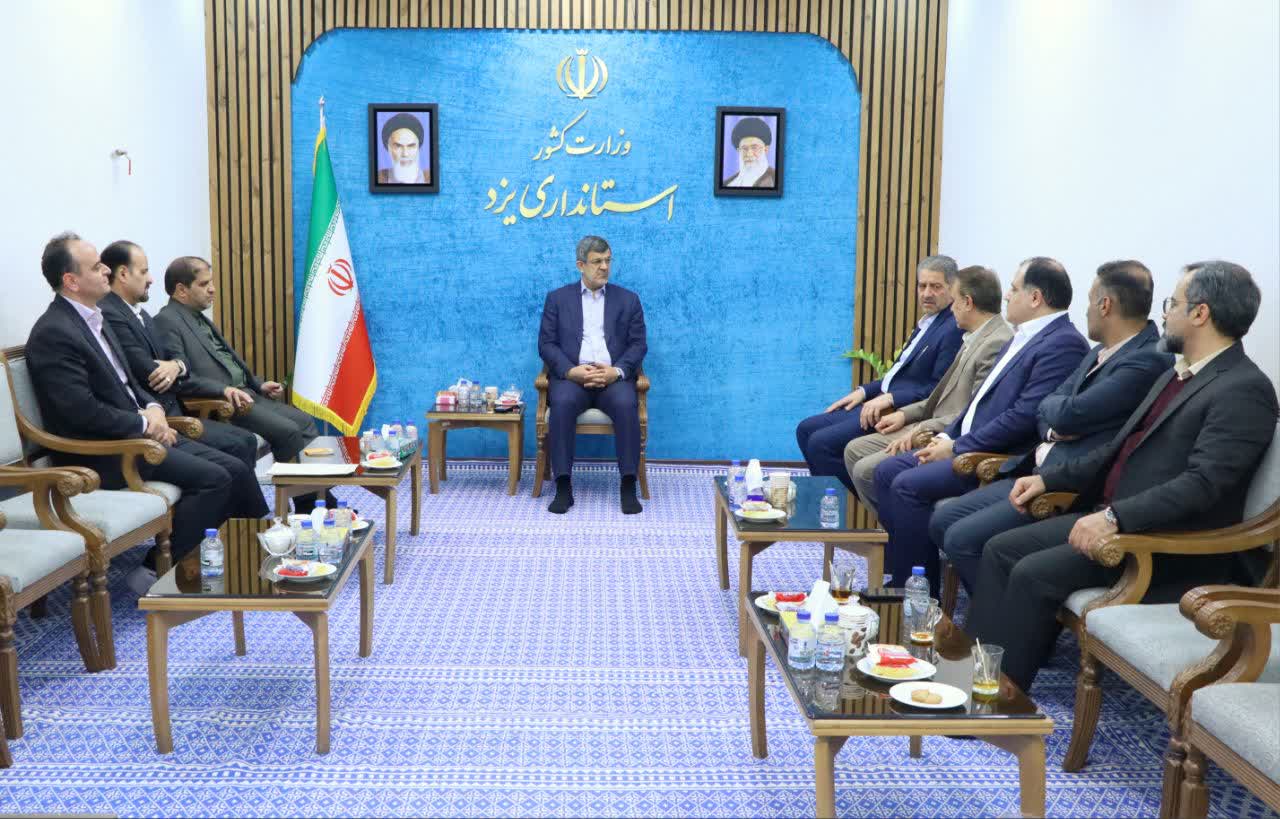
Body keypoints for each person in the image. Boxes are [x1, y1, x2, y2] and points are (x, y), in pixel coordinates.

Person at [967, 260, 1278, 692]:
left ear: (1200, 313)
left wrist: (1116, 518)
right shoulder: (1177, 373)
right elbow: (1117, 451)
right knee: (999, 548)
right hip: (1114, 518)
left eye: (1172, 303)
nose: (1164, 314)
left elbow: (1203, 485)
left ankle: (1002, 697)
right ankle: (974, 673)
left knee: (1032, 573)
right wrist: (1050, 480)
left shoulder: (1244, 389)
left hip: (1164, 544)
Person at [24, 232, 247, 594]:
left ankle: (247, 549)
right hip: (103, 453)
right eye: (97, 267)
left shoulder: (96, 318)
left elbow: (130, 382)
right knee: (215, 479)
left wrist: (154, 409)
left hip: (137, 434)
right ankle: (153, 572)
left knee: (234, 467)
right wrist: (144, 423)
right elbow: (80, 413)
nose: (106, 271)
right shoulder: (54, 332)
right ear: (71, 281)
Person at [930, 261, 1170, 595]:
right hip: (1035, 470)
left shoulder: (1147, 359)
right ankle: (993, 605)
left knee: (962, 537)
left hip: (1067, 486)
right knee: (943, 521)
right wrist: (1055, 425)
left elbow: (1068, 413)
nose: (1085, 309)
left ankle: (999, 614)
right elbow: (1048, 408)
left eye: (1090, 300)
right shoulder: (1099, 351)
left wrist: (1057, 418)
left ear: (1105, 305)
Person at [871, 257, 1090, 594]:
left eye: (1014, 289)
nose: (1007, 296)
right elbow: (977, 403)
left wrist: (957, 447)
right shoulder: (1023, 336)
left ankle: (919, 593)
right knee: (886, 471)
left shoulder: (1063, 343)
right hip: (966, 442)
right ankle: (906, 579)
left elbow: (1023, 416)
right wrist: (946, 436)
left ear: (1035, 298)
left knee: (906, 485)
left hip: (993, 457)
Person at [152, 256, 327, 512]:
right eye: (204, 284)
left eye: (211, 282)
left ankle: (321, 498)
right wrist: (223, 390)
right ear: (181, 290)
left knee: (305, 422)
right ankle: (309, 508)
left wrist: (258, 384)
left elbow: (228, 362)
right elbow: (180, 377)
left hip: (247, 393)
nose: (212, 289)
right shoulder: (166, 321)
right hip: (223, 403)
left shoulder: (197, 317)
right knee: (288, 431)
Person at [844, 265, 1012, 513]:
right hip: (931, 422)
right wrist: (904, 414)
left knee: (867, 470)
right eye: (922, 286)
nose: (951, 309)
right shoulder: (974, 335)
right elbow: (940, 394)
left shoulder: (996, 342)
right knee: (853, 450)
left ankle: (901, 531)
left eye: (953, 301)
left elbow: (973, 413)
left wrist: (920, 429)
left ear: (967, 302)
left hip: (947, 434)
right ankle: (894, 527)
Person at [796, 255, 964, 494]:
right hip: (878, 402)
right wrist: (864, 391)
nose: (927, 293)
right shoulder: (928, 322)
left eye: (935, 287)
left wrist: (891, 398)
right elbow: (899, 374)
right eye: (922, 286)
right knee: (805, 429)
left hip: (900, 412)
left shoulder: (951, 329)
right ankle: (837, 505)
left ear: (952, 288)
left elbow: (938, 389)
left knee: (821, 444)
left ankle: (863, 505)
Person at [98, 239, 262, 475]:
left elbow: (179, 360)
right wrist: (175, 366)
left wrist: (176, 365)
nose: (151, 279)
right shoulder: (110, 314)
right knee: (234, 451)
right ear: (123, 274)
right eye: (144, 272)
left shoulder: (140, 313)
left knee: (244, 440)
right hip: (160, 421)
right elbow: (151, 373)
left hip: (173, 413)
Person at [538, 235, 647, 515]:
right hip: (573, 377)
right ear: (580, 265)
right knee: (561, 403)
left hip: (612, 378)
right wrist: (570, 370)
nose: (604, 267)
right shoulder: (557, 299)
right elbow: (546, 344)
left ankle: (628, 484)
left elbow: (638, 345)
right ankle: (563, 487)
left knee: (626, 403)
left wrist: (616, 371)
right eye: (597, 261)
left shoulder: (628, 300)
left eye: (608, 260)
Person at [376, 113, 430, 184]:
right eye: (398, 146)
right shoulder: (378, 178)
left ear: (418, 147)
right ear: (388, 148)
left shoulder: (430, 177)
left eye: (411, 146)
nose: (405, 154)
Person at [723, 117, 777, 188]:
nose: (749, 154)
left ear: (766, 149)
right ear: (739, 151)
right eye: (744, 148)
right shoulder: (727, 184)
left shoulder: (776, 179)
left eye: (754, 148)